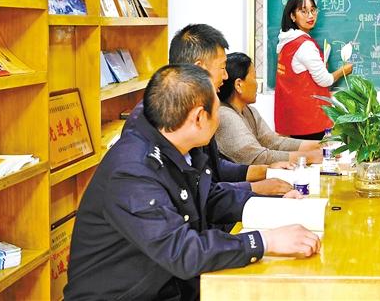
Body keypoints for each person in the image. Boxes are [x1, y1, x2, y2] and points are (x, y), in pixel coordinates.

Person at [64, 64, 320, 301]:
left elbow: (208, 198)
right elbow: (182, 251)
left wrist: (273, 205)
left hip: (168, 287)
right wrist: (265, 241)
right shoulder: (132, 172)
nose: (219, 119)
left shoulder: (177, 146)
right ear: (199, 117)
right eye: (217, 110)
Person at [124, 24, 294, 196]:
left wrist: (265, 172)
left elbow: (211, 168)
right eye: (222, 68)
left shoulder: (198, 107)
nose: (226, 76)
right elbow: (198, 194)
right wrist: (255, 188)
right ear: (200, 68)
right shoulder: (158, 121)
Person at [216, 52, 323, 165]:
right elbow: (257, 158)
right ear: (238, 85)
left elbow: (273, 142)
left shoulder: (249, 111)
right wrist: (309, 157)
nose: (256, 84)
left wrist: (322, 145)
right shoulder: (225, 115)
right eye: (254, 77)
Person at [275, 0, 353, 140]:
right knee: (316, 154)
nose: (310, 16)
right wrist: (344, 71)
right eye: (303, 11)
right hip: (310, 121)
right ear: (292, 16)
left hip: (292, 120)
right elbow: (325, 80)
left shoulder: (285, 42)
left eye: (313, 10)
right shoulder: (305, 45)